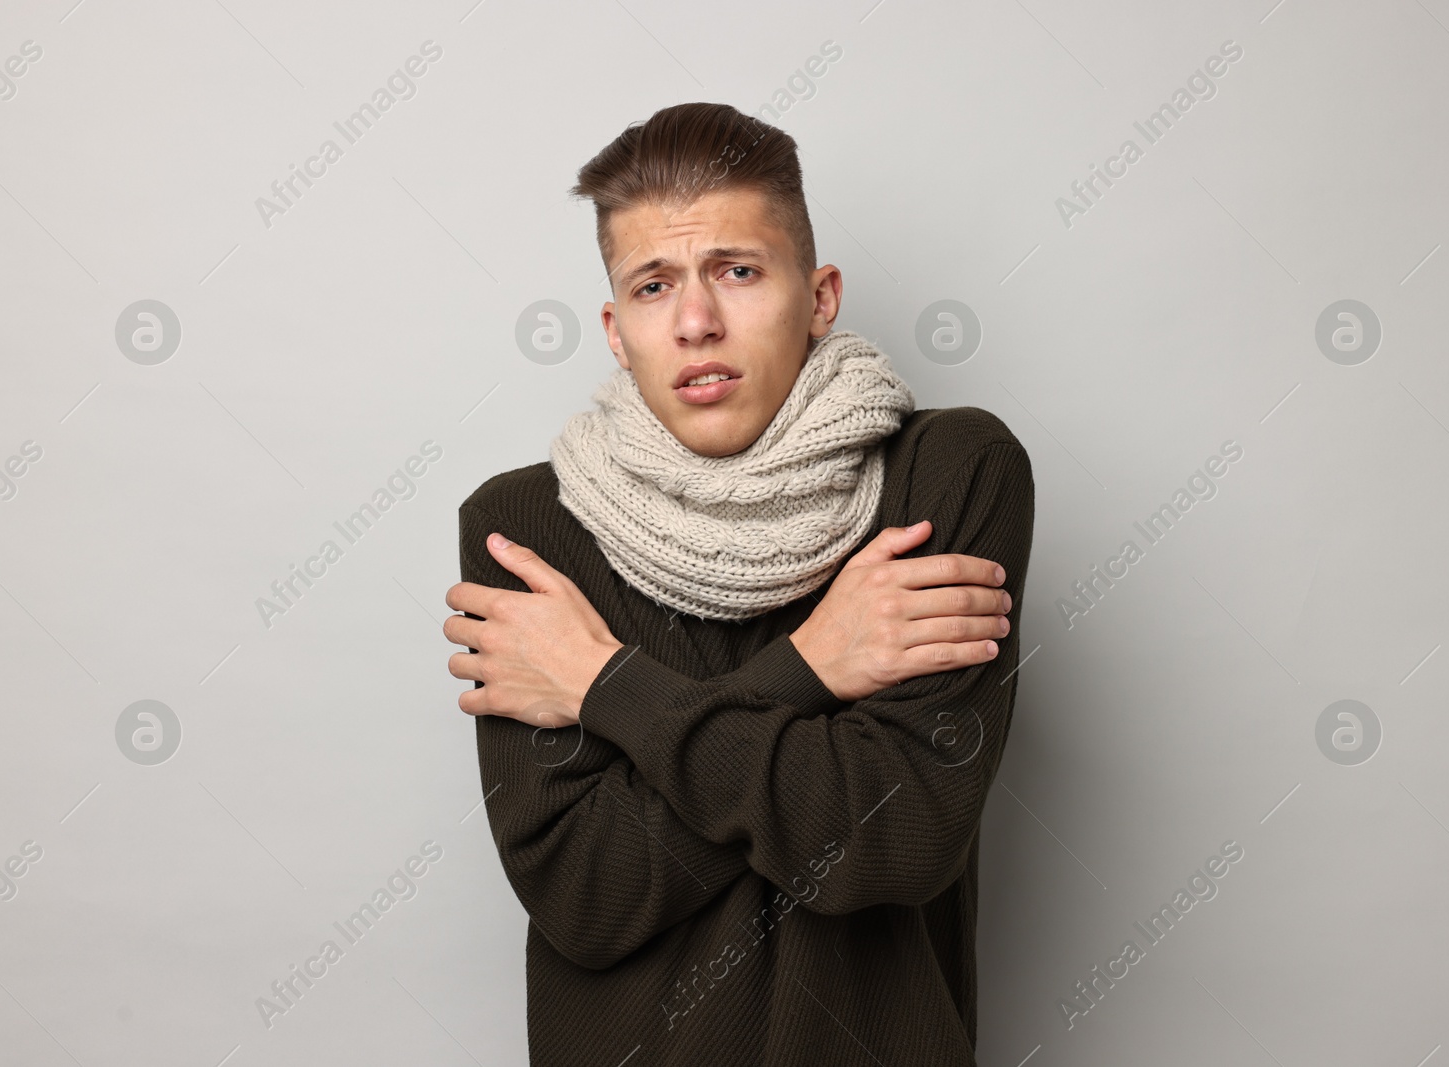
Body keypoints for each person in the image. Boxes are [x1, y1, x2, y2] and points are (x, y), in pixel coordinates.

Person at [442, 101, 1034, 1066]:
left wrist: (603, 684)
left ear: (821, 295)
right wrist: (811, 666)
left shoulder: (950, 473)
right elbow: (586, 896)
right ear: (614, 327)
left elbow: (888, 840)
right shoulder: (524, 531)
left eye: (739, 270)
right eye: (652, 284)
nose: (695, 321)